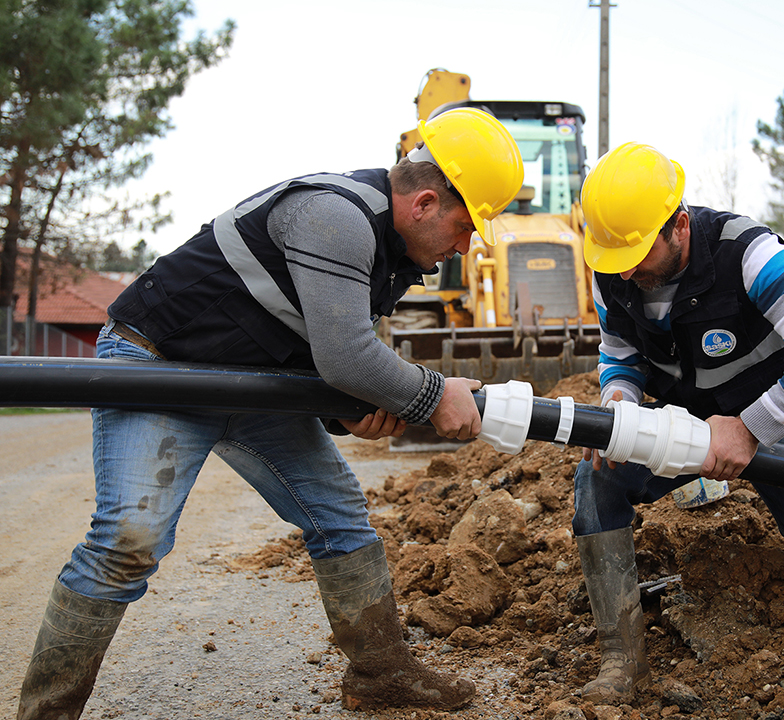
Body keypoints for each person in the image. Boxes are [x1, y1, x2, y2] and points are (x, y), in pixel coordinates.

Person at [17, 107, 524, 719]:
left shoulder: (391, 254)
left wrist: (349, 414)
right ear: (422, 204)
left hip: (252, 385)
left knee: (340, 517)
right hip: (160, 367)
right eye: (467, 227)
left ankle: (382, 675)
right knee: (129, 539)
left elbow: (325, 357)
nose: (466, 246)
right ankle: (46, 713)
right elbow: (347, 356)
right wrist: (432, 395)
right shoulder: (335, 215)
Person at [571, 142, 784, 705]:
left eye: (639, 253)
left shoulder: (747, 253)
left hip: (773, 416)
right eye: (614, 257)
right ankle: (622, 655)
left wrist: (749, 427)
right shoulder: (614, 271)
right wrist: (619, 400)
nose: (626, 269)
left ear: (678, 223)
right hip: (681, 420)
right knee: (597, 476)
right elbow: (619, 352)